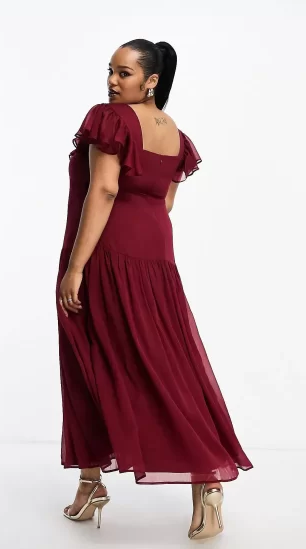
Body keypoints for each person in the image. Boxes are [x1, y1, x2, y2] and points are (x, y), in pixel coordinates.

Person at [55, 38, 253, 539]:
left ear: (151, 81)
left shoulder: (110, 120)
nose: (112, 81)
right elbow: (163, 203)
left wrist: (76, 267)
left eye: (124, 73)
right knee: (164, 361)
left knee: (89, 358)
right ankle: (204, 482)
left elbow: (104, 189)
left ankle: (93, 481)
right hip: (156, 256)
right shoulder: (175, 134)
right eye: (110, 70)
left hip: (106, 251)